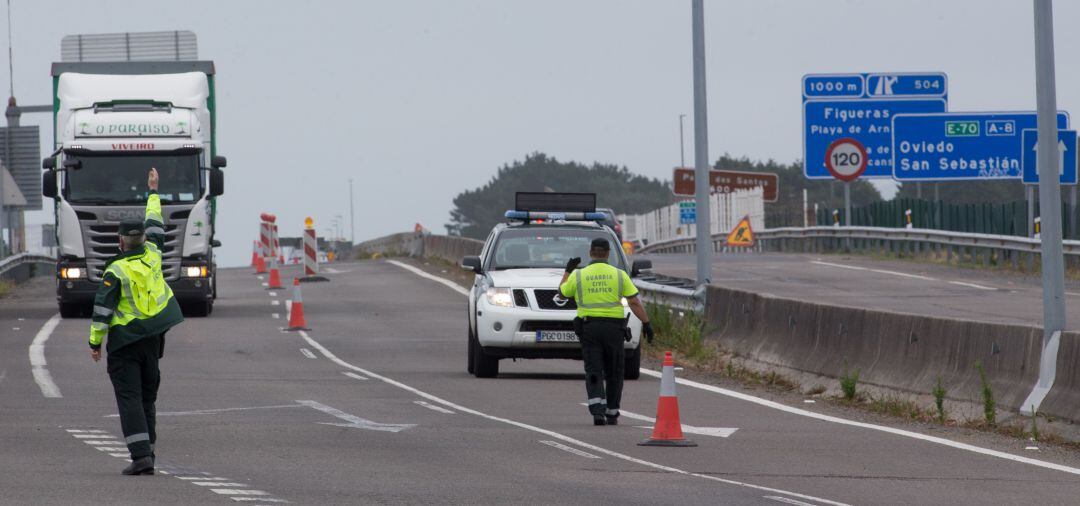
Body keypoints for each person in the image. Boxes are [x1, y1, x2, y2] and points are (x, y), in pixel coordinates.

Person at [89, 167, 184, 475]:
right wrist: (153, 191)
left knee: (129, 397)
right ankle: (149, 452)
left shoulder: (115, 270)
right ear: (143, 238)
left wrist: (94, 343)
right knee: (147, 398)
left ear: (120, 242)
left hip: (125, 343)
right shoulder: (153, 254)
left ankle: (141, 456)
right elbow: (156, 221)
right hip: (153, 340)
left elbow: (102, 311)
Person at [559, 238, 654, 426]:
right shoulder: (619, 275)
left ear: (590, 252)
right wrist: (646, 323)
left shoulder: (579, 275)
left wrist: (568, 271)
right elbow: (634, 302)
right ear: (608, 253)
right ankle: (612, 411)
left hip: (589, 328)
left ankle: (597, 411)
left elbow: (562, 293)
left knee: (594, 369)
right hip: (614, 329)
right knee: (614, 370)